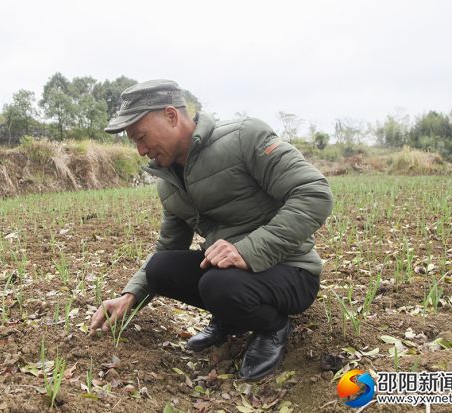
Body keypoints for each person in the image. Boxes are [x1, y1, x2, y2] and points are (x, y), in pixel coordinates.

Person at [89, 79, 333, 380]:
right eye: (134, 142)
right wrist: (131, 295)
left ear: (171, 116)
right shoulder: (169, 184)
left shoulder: (244, 138)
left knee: (218, 284)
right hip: (229, 275)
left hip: (291, 272)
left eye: (141, 137)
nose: (140, 150)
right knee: (160, 267)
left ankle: (273, 327)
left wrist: (246, 250)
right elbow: (169, 248)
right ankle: (230, 320)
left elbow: (314, 193)